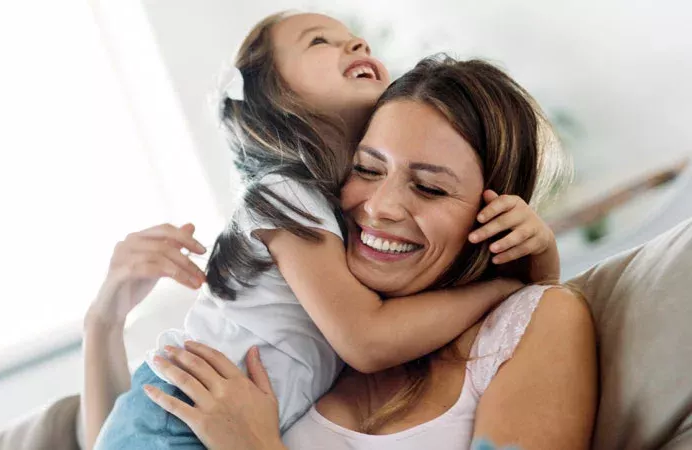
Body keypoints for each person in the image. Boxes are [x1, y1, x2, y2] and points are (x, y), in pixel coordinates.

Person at [84, 11, 567, 450]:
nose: (357, 44)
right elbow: (367, 339)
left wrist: (534, 262)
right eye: (320, 41)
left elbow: (535, 313)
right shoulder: (284, 197)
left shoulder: (328, 216)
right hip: (178, 418)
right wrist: (501, 286)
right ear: (274, 98)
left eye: (428, 186)